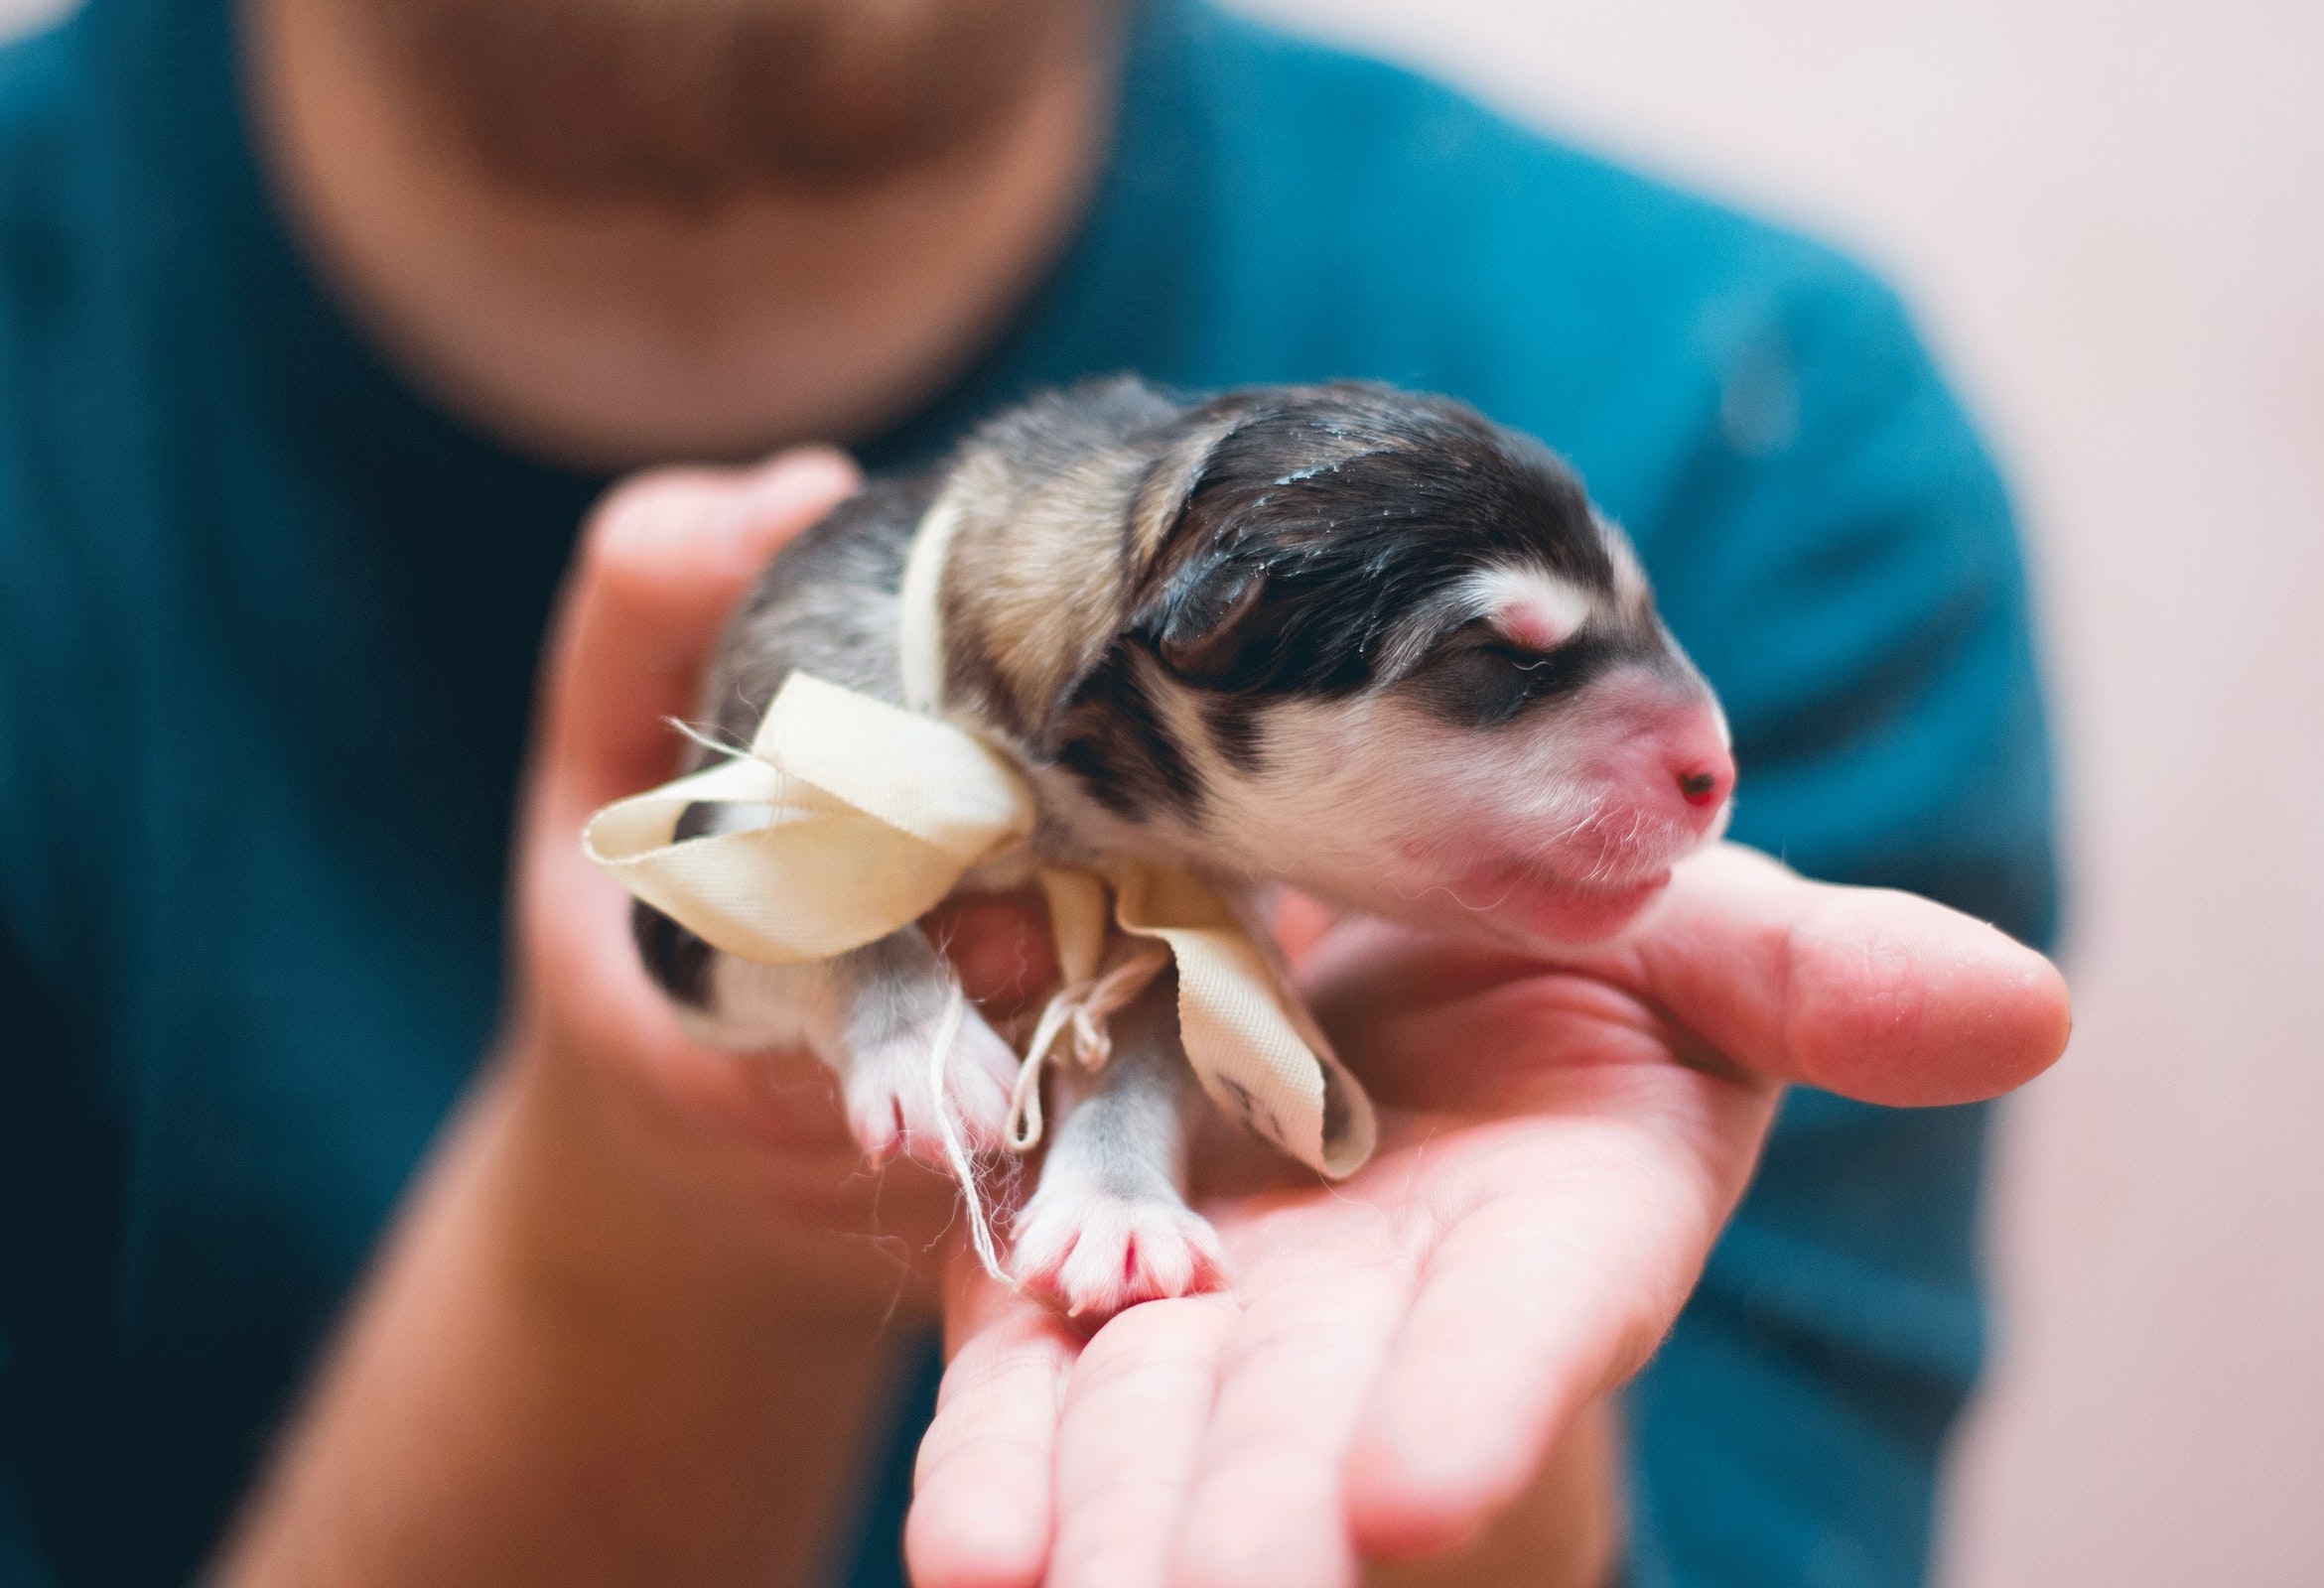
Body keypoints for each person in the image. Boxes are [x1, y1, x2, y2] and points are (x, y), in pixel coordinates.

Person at [0, 0, 2067, 1581]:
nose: (1687, 764)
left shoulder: (1769, 433)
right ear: (1192, 646)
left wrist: (1478, 1490)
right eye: (1494, 672)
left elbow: (1175, 955)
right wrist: (646, 1245)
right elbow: (784, 901)